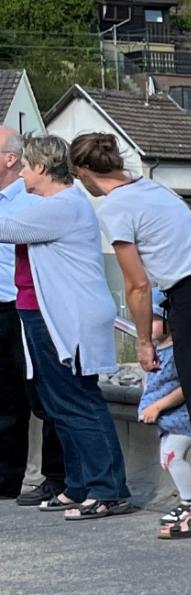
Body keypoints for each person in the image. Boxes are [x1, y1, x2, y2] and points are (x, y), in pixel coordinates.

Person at [70, 132, 191, 539]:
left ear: (84, 172)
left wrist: (143, 341)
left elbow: (137, 284)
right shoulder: (152, 188)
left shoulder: (116, 207)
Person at [0, 134, 135, 520]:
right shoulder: (49, 204)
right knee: (59, 406)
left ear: (41, 168)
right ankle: (78, 485)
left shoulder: (63, 205)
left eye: (25, 166)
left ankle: (108, 489)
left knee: (78, 402)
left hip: (65, 319)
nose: (22, 173)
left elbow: (6, 228)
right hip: (42, 314)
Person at [0, 128, 67, 507]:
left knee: (41, 394)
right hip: (2, 309)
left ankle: (56, 477)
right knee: (4, 400)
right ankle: (6, 479)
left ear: (11, 159)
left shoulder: (31, 201)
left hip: (25, 307)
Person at [136, 302, 191, 530]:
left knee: (172, 456)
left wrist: (157, 406)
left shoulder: (177, 351)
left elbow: (187, 386)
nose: (147, 326)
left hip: (181, 417)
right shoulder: (157, 350)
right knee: (169, 459)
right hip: (169, 419)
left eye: (153, 320)